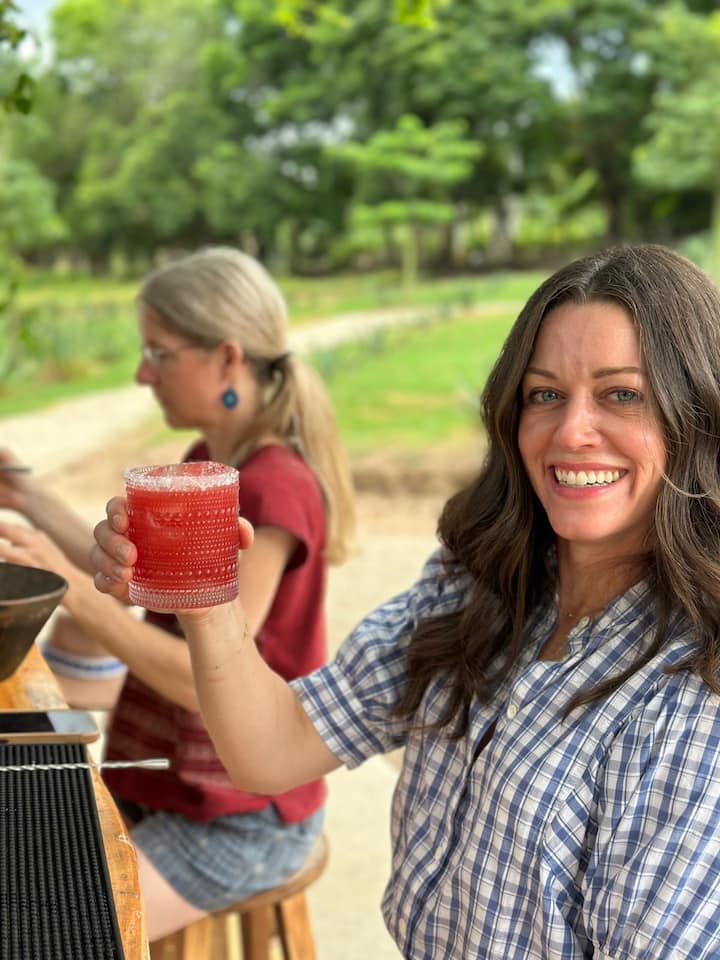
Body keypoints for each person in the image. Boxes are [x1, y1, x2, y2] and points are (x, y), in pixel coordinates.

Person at [91, 242, 720, 957]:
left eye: (622, 394)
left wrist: (72, 590)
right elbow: (272, 748)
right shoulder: (475, 587)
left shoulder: (697, 692)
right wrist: (206, 607)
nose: (572, 431)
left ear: (698, 414)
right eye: (544, 394)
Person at [0, 246, 356, 941]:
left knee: (45, 928)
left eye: (157, 353)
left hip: (239, 820)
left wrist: (70, 590)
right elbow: (132, 575)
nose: (142, 374)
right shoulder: (208, 462)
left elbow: (204, 678)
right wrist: (29, 497)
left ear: (227, 360)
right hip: (175, 786)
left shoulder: (274, 487)